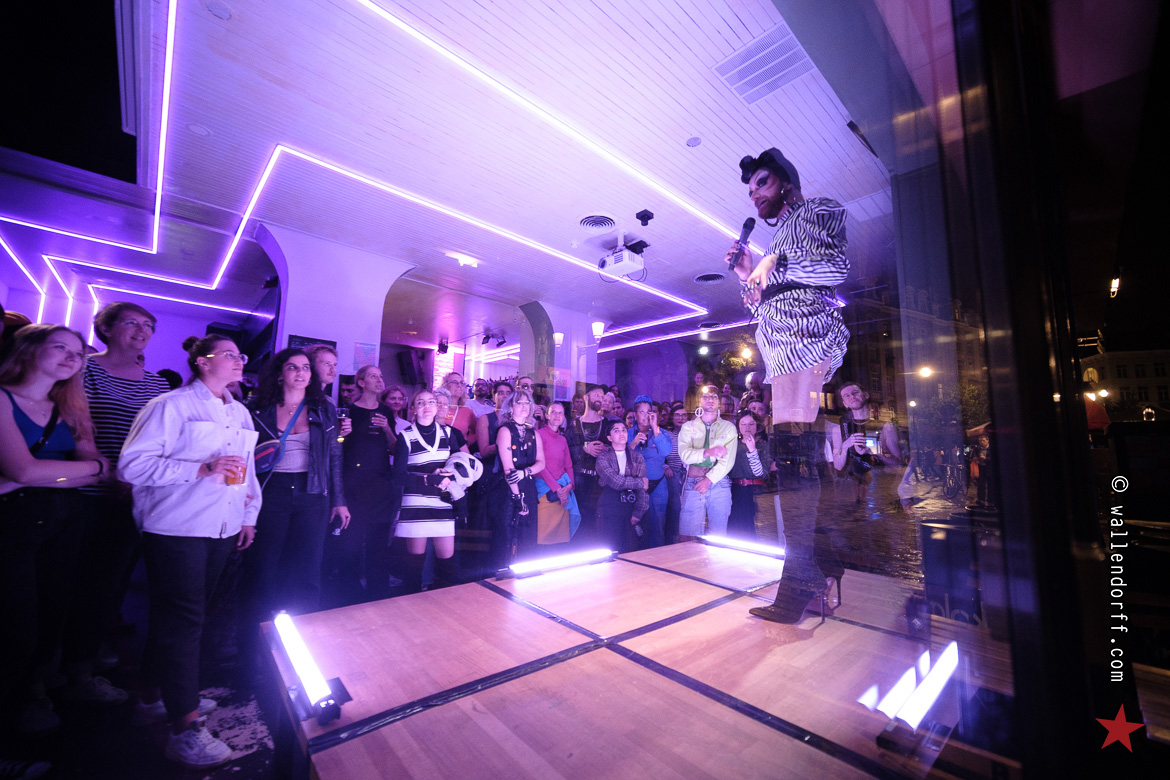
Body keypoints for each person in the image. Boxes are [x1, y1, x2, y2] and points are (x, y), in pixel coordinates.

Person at [118, 335, 260, 769]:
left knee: (179, 616)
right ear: (201, 361)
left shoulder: (239, 412)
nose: (239, 361)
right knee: (185, 619)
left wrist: (248, 514)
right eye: (230, 355)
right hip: (177, 526)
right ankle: (185, 728)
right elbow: (132, 465)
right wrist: (200, 467)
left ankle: (151, 697)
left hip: (222, 525)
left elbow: (248, 470)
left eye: (241, 355)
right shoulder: (171, 406)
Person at [0, 325, 110, 737]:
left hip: (62, 519)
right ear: (28, 349)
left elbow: (97, 468)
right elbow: (24, 469)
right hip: (12, 522)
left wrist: (42, 475)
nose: (71, 357)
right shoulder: (3, 398)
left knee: (51, 614)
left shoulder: (70, 405)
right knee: (15, 622)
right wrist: (80, 471)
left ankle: (29, 699)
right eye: (60, 347)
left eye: (78, 353)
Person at [63, 303, 170, 707]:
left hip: (135, 496)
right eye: (132, 323)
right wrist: (109, 474)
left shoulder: (156, 384)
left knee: (111, 583)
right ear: (105, 328)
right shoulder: (86, 370)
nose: (142, 331)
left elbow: (162, 439)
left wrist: (138, 481)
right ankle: (68, 669)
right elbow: (78, 426)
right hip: (89, 490)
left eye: (149, 325)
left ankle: (86, 658)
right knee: (76, 581)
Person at [729, 147, 849, 425]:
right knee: (788, 435)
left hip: (806, 346)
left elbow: (836, 267)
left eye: (761, 183)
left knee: (803, 431)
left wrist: (776, 263)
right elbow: (763, 309)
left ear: (787, 182)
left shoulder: (818, 209)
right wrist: (745, 275)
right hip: (779, 356)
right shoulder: (778, 240)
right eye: (751, 192)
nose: (754, 195)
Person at [244, 349, 348, 652]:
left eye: (305, 368)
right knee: (263, 569)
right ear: (279, 373)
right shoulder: (257, 408)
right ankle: (257, 645)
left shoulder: (323, 408)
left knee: (306, 570)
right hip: (270, 491)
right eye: (293, 367)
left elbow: (335, 455)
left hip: (312, 492)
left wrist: (339, 499)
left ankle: (303, 643)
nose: (301, 373)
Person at [392, 389, 469, 591]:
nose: (427, 406)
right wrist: (428, 478)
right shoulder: (405, 436)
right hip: (416, 504)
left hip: (442, 501)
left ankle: (443, 605)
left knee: (446, 563)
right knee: (414, 565)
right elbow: (398, 476)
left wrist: (450, 474)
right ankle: (412, 604)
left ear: (437, 407)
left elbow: (460, 465)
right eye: (421, 403)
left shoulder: (449, 433)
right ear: (413, 409)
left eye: (431, 402)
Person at [333, 365, 398, 604]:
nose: (380, 380)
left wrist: (387, 428)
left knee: (378, 544)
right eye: (373, 376)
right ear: (361, 383)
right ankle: (348, 597)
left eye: (381, 376)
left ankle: (377, 596)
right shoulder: (349, 411)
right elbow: (337, 446)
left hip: (381, 485)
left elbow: (394, 448)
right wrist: (344, 434)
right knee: (350, 543)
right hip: (353, 486)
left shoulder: (386, 411)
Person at [489, 388, 545, 566]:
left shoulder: (534, 433)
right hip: (508, 491)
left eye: (527, 403)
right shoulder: (505, 431)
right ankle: (502, 575)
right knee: (506, 537)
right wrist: (518, 500)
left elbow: (541, 462)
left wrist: (525, 472)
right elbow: (508, 470)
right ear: (510, 407)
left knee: (528, 537)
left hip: (528, 486)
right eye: (519, 403)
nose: (524, 406)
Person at [677, 385, 737, 539]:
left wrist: (709, 480)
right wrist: (708, 452)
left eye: (714, 396)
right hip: (694, 483)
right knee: (687, 536)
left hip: (719, 484)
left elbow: (728, 461)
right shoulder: (688, 427)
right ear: (699, 401)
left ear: (719, 402)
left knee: (718, 537)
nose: (710, 399)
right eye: (706, 396)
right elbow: (685, 455)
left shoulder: (728, 428)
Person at [827, 382, 900, 506]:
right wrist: (846, 445)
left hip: (881, 493)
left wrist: (873, 453)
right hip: (849, 488)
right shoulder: (839, 429)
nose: (852, 397)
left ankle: (861, 499)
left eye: (855, 393)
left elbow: (897, 463)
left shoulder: (886, 426)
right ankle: (859, 499)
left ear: (865, 395)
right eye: (847, 396)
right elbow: (838, 466)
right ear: (845, 403)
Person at [595, 419, 649, 553]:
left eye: (624, 430)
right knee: (610, 546)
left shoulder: (637, 457)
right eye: (616, 431)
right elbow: (616, 482)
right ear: (609, 437)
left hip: (631, 505)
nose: (621, 433)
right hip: (610, 505)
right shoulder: (603, 457)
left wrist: (638, 513)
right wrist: (640, 482)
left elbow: (643, 491)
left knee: (631, 548)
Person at [628, 396, 672, 548]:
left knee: (657, 526)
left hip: (658, 485)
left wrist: (655, 428)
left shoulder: (662, 433)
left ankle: (656, 556)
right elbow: (620, 456)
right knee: (634, 525)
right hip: (635, 486)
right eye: (642, 412)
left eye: (649, 412)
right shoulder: (627, 433)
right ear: (635, 415)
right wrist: (633, 443)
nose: (646, 415)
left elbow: (666, 451)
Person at [565, 384, 607, 541]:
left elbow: (618, 448)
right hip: (580, 480)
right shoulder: (575, 424)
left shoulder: (607, 424)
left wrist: (606, 448)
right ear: (586, 397)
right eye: (596, 395)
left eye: (602, 397)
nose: (600, 399)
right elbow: (566, 449)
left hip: (601, 481)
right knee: (581, 521)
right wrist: (584, 449)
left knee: (599, 522)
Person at [534, 401, 579, 545]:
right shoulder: (538, 435)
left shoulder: (562, 439)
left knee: (560, 541)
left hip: (563, 495)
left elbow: (569, 466)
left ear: (564, 417)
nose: (557, 415)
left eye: (560, 413)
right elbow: (540, 466)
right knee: (543, 538)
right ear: (547, 415)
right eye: (553, 412)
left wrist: (569, 487)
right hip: (545, 493)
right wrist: (557, 489)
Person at [727, 411, 771, 540]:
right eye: (743, 424)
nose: (747, 427)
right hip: (735, 490)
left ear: (757, 426)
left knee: (749, 529)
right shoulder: (733, 444)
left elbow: (761, 473)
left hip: (754, 491)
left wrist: (752, 450)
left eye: (751, 424)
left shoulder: (762, 445)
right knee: (734, 528)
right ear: (738, 426)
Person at [306, 344, 353, 438]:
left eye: (335, 365)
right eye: (327, 364)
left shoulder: (330, 402)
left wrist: (339, 434)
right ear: (311, 366)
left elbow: (329, 441)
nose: (333, 370)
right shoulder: (299, 398)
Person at [662, 403, 688, 544]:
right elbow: (659, 455)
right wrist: (665, 466)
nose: (681, 418)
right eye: (677, 415)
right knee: (675, 507)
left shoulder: (693, 434)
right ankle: (672, 540)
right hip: (673, 475)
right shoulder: (667, 435)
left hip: (689, 474)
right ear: (672, 417)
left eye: (684, 415)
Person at [440, 372, 476, 446]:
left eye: (462, 383)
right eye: (454, 382)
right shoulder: (437, 408)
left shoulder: (468, 412)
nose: (459, 385)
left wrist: (467, 443)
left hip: (459, 451)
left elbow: (476, 432)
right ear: (445, 386)